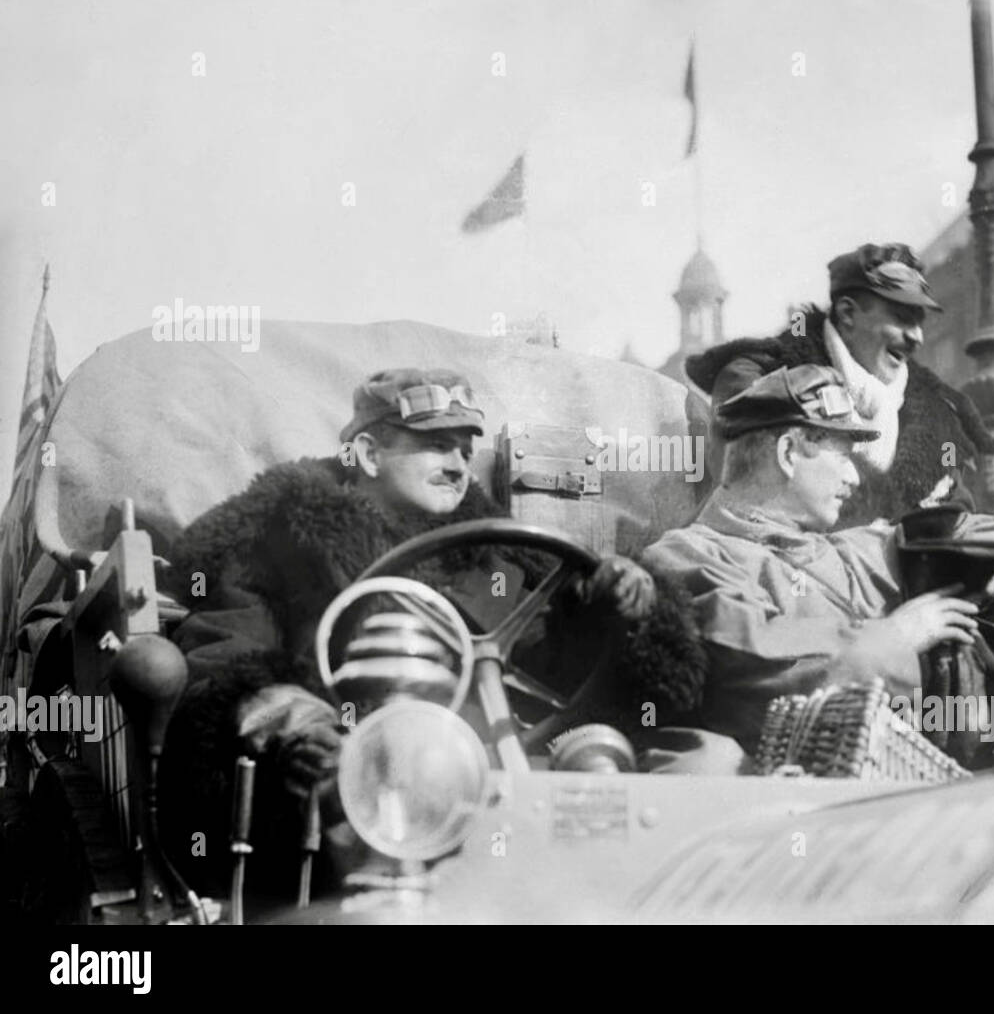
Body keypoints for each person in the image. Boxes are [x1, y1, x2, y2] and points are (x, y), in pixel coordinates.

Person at [159, 368, 715, 895]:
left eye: (466, 450)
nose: (458, 466)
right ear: (370, 454)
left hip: (506, 774)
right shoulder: (276, 545)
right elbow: (229, 663)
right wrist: (304, 728)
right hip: (362, 783)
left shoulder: (500, 559)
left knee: (668, 780)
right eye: (436, 445)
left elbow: (551, 667)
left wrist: (610, 604)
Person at [641, 364, 994, 756]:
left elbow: (969, 532)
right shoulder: (687, 557)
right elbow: (763, 680)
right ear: (789, 453)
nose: (855, 478)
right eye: (842, 456)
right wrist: (899, 637)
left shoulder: (848, 551)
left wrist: (985, 572)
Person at [684, 242, 994, 524]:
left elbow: (957, 513)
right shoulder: (759, 378)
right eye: (902, 317)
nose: (916, 336)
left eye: (920, 321)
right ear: (848, 313)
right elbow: (751, 493)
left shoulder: (935, 417)